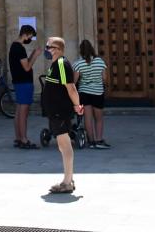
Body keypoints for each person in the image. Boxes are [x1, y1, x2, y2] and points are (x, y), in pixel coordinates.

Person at [40, 37, 83, 195]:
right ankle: (68, 179)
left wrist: (77, 106)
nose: (46, 49)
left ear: (56, 48)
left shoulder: (62, 64)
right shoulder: (55, 64)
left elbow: (71, 88)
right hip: (55, 111)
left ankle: (67, 182)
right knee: (61, 145)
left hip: (60, 110)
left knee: (65, 146)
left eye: (48, 46)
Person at [74, 40, 109, 149]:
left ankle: (91, 141)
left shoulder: (78, 63)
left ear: (81, 51)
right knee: (98, 118)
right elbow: (105, 79)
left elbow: (74, 81)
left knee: (87, 117)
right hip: (98, 92)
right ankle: (99, 140)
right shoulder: (100, 62)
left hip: (84, 92)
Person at [8, 25, 39, 149]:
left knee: (19, 110)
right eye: (31, 36)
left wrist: (31, 54)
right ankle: (24, 139)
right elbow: (27, 67)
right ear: (26, 34)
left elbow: (24, 63)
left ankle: (18, 137)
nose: (30, 39)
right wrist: (36, 55)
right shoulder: (19, 48)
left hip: (18, 81)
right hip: (24, 82)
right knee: (23, 112)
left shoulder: (14, 46)